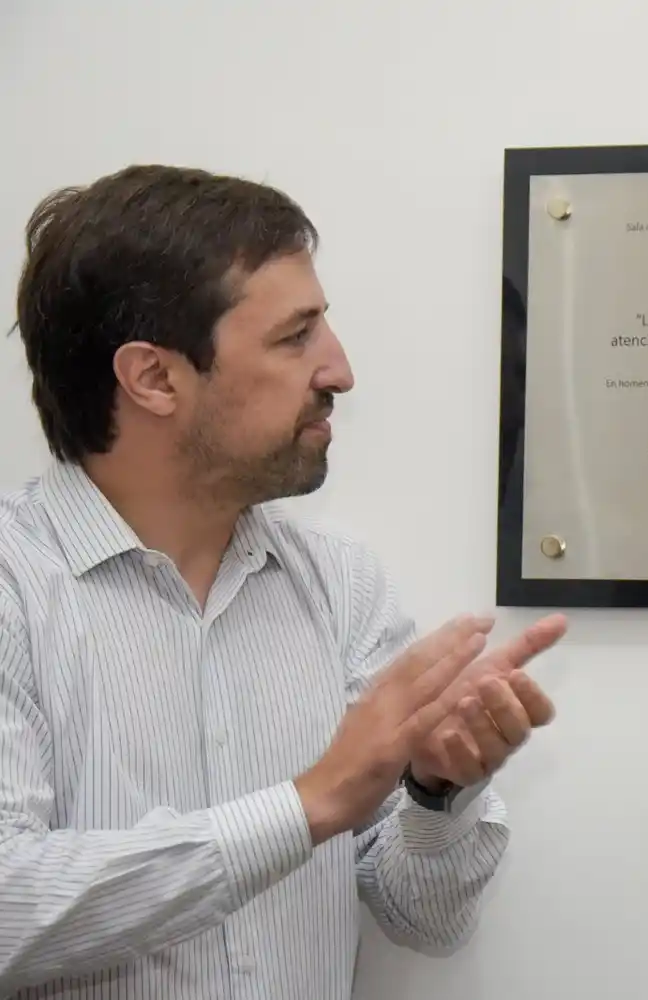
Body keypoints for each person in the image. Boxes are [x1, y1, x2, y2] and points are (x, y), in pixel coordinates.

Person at [0, 165, 567, 998]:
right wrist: (310, 804)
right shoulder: (15, 585)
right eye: (294, 336)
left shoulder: (340, 587)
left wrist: (436, 791)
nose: (339, 371)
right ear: (154, 378)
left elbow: (429, 921)